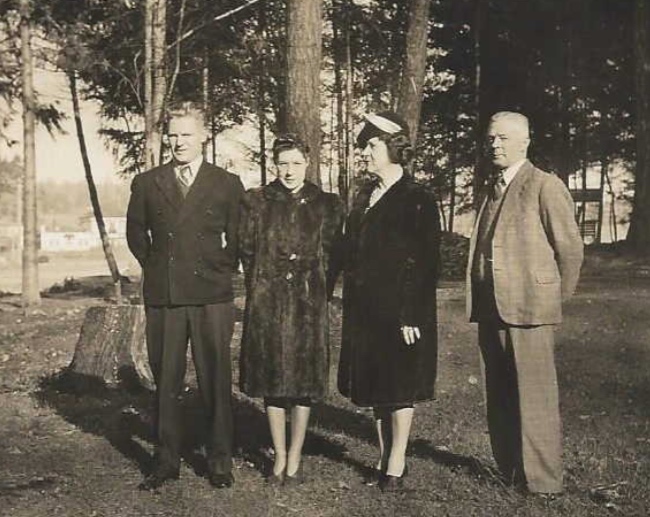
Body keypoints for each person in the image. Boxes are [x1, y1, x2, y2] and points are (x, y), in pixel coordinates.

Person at [126, 101, 244, 491]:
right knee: (166, 381)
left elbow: (238, 237)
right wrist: (158, 266)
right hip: (165, 296)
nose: (179, 142)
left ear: (204, 136)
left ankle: (220, 461)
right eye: (173, 135)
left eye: (187, 134)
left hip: (211, 294)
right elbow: (135, 233)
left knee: (216, 379)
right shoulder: (148, 182)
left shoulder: (226, 183)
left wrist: (218, 267)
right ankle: (165, 460)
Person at [466, 111, 584, 495]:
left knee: (536, 398)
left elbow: (570, 251)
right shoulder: (491, 188)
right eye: (491, 138)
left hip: (531, 311)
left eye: (502, 138)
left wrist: (550, 298)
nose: (494, 145)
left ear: (524, 142)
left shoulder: (544, 185)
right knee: (499, 394)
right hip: (492, 309)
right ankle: (512, 472)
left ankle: (544, 483)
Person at [334, 111, 441, 491]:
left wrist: (411, 314)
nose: (364, 152)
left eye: (371, 145)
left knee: (399, 386)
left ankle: (396, 463)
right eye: (364, 146)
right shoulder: (364, 196)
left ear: (394, 148)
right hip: (365, 311)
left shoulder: (418, 198)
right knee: (376, 386)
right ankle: (384, 458)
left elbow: (426, 263)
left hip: (400, 312)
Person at [238, 134, 343, 485]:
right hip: (267, 304)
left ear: (308, 164)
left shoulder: (326, 204)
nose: (289, 171)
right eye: (283, 163)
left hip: (308, 305)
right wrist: (261, 287)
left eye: (296, 163)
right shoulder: (256, 202)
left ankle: (295, 456)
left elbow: (333, 255)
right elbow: (246, 250)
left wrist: (316, 290)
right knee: (271, 379)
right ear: (274, 164)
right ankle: (279, 455)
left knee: (303, 382)